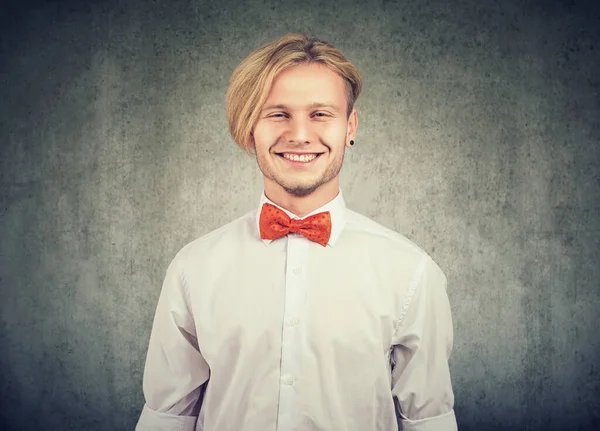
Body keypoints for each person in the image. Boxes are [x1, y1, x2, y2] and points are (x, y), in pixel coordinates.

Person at [136, 33, 457, 431]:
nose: (300, 134)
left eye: (320, 113)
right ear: (249, 127)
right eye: (278, 114)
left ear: (349, 126)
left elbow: (429, 420)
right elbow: (167, 417)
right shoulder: (192, 268)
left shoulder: (411, 272)